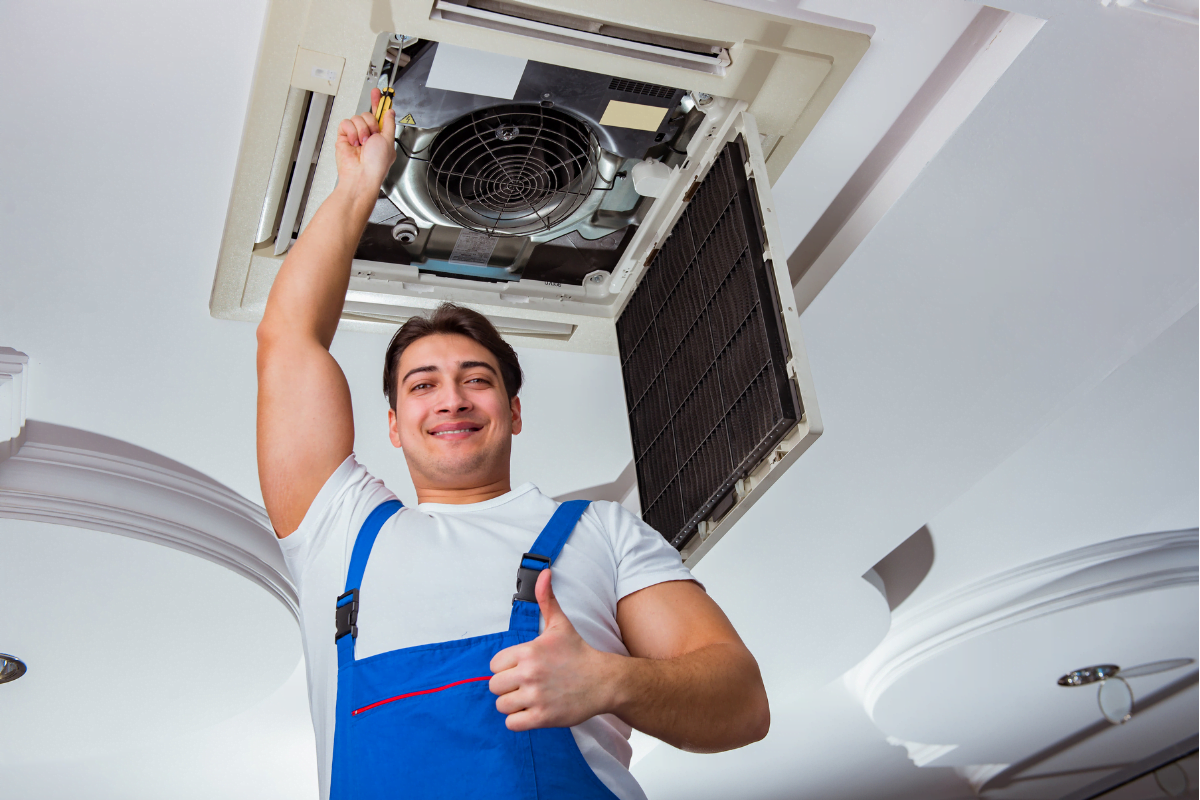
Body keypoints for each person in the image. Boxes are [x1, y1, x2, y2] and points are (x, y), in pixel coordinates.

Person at [256, 88, 769, 800]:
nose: (453, 399)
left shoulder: (603, 533)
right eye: (422, 385)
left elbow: (741, 702)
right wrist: (354, 190)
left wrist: (608, 679)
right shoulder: (336, 532)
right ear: (394, 428)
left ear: (514, 411)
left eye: (476, 379)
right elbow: (289, 340)